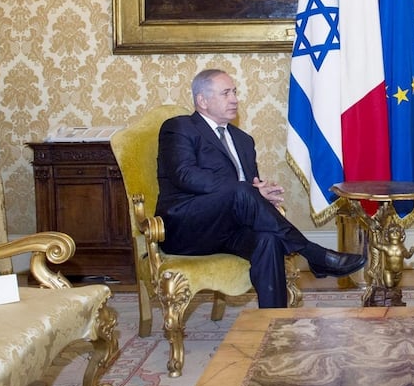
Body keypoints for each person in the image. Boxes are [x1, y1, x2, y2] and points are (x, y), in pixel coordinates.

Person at [156, 68, 366, 308]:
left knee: (268, 238)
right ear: (202, 100)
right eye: (226, 93)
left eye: (235, 92)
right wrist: (248, 191)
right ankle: (313, 253)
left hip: (229, 231)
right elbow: (185, 175)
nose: (235, 99)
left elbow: (248, 189)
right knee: (242, 191)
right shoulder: (179, 127)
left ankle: (274, 320)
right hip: (186, 229)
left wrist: (262, 195)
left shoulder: (244, 140)